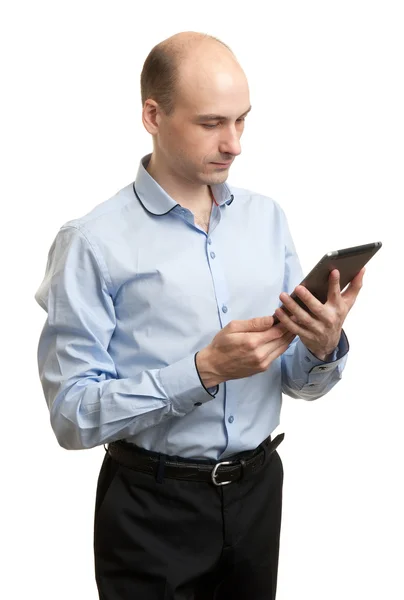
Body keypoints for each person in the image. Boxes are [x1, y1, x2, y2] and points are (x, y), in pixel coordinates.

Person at [35, 31, 364, 600]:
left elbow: (295, 383)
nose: (234, 144)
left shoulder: (267, 220)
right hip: (150, 510)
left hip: (259, 495)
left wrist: (322, 345)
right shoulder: (90, 242)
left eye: (242, 121)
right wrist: (203, 369)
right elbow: (72, 417)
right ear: (152, 115)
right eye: (212, 123)